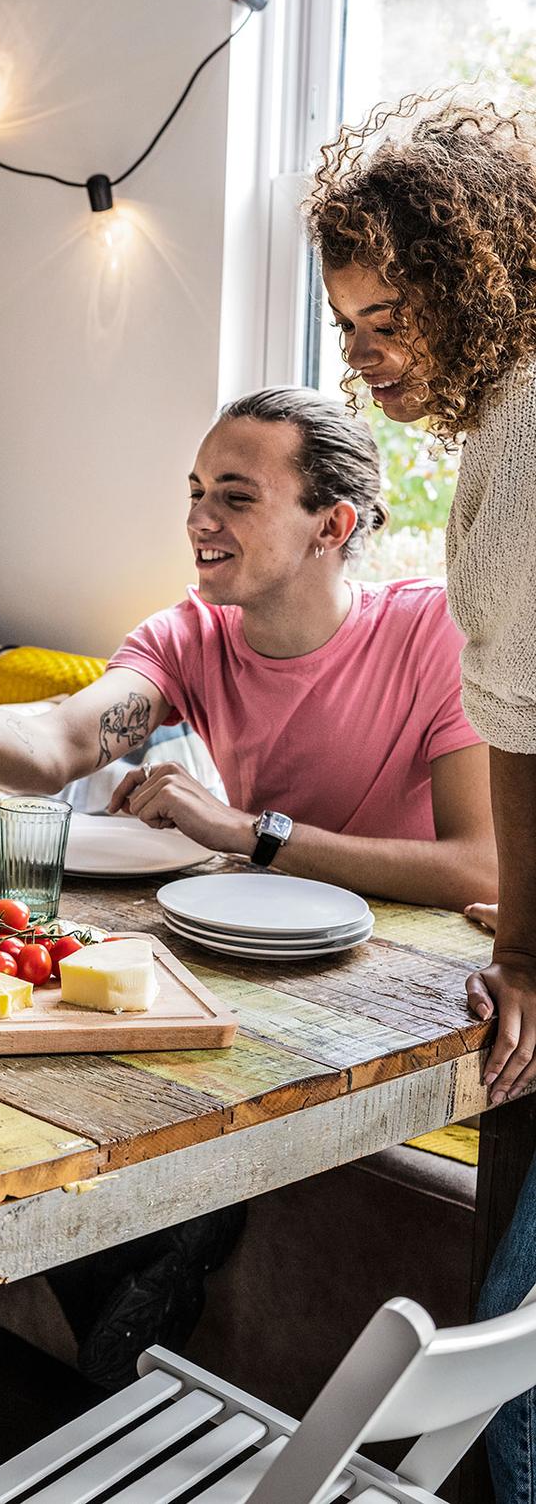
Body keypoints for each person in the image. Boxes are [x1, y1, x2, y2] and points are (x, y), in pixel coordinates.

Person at [0, 386, 494, 909]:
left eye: (236, 498)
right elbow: (54, 748)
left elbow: (481, 868)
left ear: (331, 527)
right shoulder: (187, 637)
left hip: (416, 967)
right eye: (197, 491)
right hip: (260, 937)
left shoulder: (438, 631)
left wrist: (245, 833)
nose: (198, 519)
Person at [307, 95, 536, 1504]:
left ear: (471, 283)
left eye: (390, 320)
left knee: (514, 1386)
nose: (368, 358)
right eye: (350, 328)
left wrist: (519, 956)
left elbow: (519, 725)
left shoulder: (517, 437)